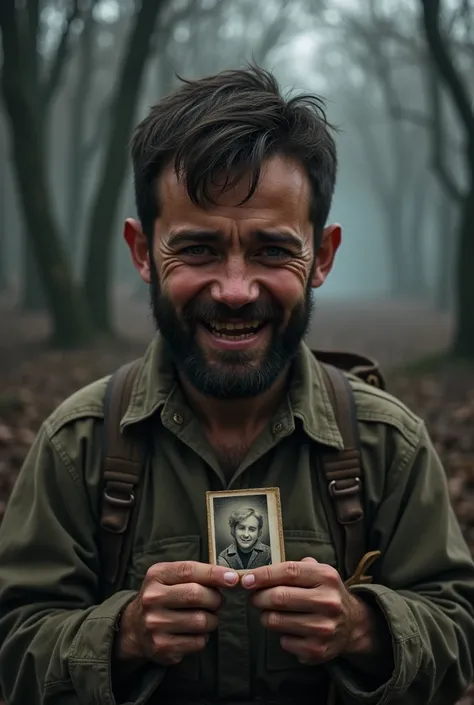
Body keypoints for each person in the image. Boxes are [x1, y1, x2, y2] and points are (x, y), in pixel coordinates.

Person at [0, 64, 473, 705]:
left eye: (272, 251)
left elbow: (458, 626)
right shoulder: (76, 446)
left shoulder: (386, 444)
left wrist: (366, 629)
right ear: (142, 252)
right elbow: (12, 645)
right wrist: (122, 636)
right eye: (196, 249)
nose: (234, 289)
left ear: (322, 257)